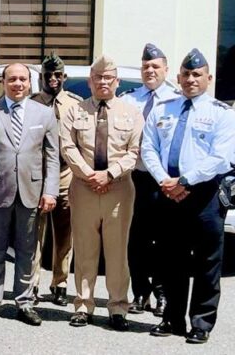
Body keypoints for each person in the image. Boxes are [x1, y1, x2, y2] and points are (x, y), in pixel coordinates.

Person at [141, 48, 235, 344]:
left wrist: (184, 180)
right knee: (171, 259)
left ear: (209, 77)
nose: (190, 79)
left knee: (208, 263)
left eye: (197, 74)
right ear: (177, 77)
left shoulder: (222, 113)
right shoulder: (162, 109)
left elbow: (222, 158)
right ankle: (172, 319)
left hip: (205, 195)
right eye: (186, 74)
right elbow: (148, 148)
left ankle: (202, 323)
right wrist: (165, 181)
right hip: (168, 193)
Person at [0, 62, 59, 327]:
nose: (17, 84)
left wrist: (51, 190)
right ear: (4, 82)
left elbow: (52, 157)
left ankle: (24, 302)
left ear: (30, 83)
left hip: (32, 192)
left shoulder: (44, 114)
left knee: (27, 250)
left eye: (22, 79)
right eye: (12, 79)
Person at [59, 56, 143, 330]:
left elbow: (134, 152)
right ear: (90, 82)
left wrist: (110, 173)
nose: (103, 82)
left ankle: (118, 308)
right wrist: (89, 174)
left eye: (108, 78)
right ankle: (83, 305)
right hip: (83, 188)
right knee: (84, 250)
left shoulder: (132, 112)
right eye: (98, 77)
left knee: (118, 252)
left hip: (118, 189)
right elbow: (68, 147)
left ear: (116, 82)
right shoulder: (75, 111)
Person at [118, 42, 178, 316]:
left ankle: (162, 293)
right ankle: (140, 292)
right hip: (136, 178)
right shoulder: (130, 99)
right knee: (136, 239)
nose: (150, 70)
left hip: (164, 181)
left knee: (165, 240)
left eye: (155, 66)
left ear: (166, 69)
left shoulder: (177, 100)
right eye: (145, 67)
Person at [30, 52, 82, 306]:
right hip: (37, 175)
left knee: (64, 233)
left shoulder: (76, 104)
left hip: (65, 174)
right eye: (48, 75)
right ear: (41, 77)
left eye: (58, 75)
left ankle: (60, 283)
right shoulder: (31, 103)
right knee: (34, 234)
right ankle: (32, 284)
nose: (53, 79)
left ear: (64, 77)